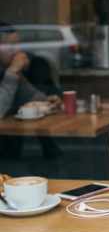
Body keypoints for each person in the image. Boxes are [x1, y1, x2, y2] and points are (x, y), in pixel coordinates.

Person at [0, 25, 62, 159]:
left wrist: (47, 100)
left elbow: (30, 96)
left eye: (17, 45)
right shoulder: (10, 71)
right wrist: (12, 72)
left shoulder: (8, 70)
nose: (17, 51)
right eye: (10, 46)